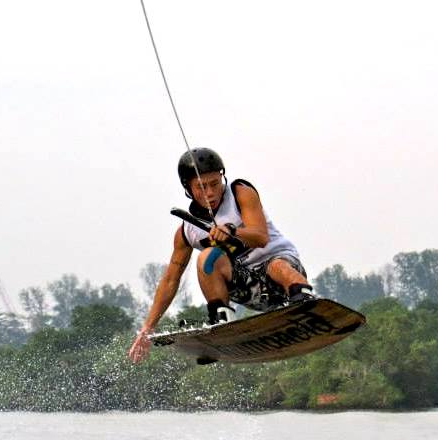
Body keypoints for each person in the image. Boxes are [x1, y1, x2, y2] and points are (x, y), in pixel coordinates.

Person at [128, 147, 313, 363]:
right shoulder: (187, 231)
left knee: (275, 266)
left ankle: (305, 300)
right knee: (207, 258)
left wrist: (233, 231)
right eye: (201, 187)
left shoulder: (240, 192)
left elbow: (261, 237)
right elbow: (170, 280)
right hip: (248, 288)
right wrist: (147, 328)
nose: (210, 192)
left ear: (222, 177)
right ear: (188, 187)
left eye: (215, 183)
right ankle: (222, 323)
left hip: (283, 271)